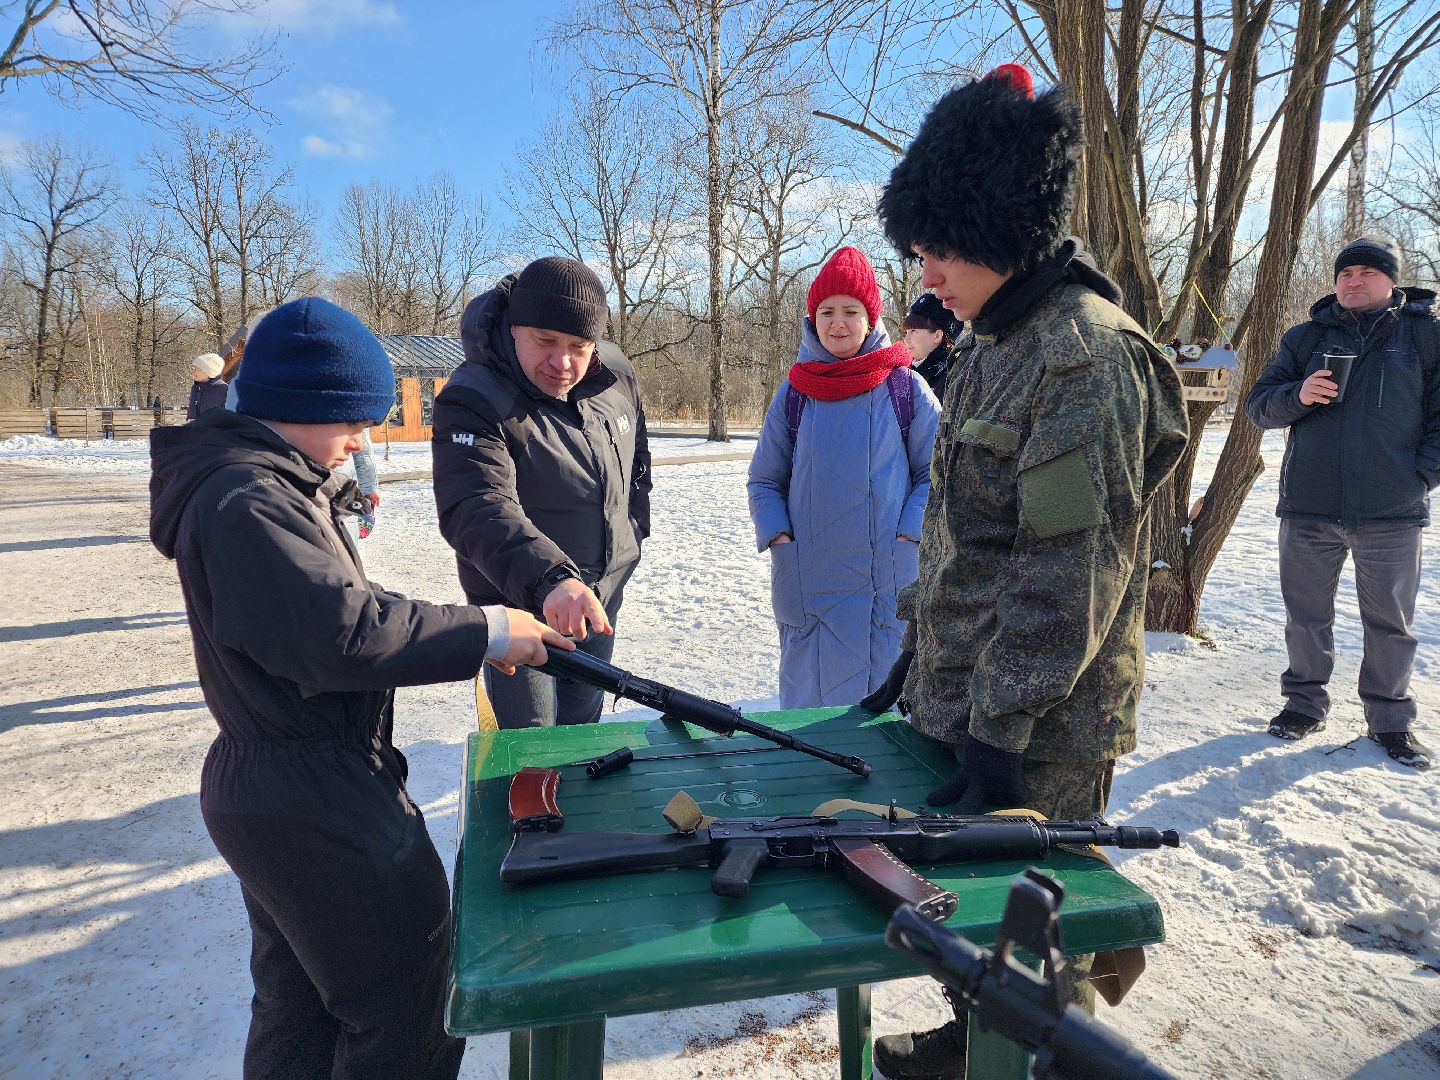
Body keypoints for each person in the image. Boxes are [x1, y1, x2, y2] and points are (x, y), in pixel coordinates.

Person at [149, 296, 571, 1080]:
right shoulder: (246, 499)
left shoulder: (271, 482)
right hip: (313, 797)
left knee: (301, 1008)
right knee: (407, 1005)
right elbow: (339, 631)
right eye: (351, 418)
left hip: (294, 783)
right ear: (296, 403)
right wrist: (484, 630)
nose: (361, 441)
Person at [865, 63, 1189, 1078]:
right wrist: (922, 653)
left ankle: (1036, 1061)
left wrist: (1000, 727)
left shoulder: (1082, 357)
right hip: (976, 700)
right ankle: (978, 1045)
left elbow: (1071, 573)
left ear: (1000, 227)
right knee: (981, 914)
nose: (927, 277)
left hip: (1042, 723)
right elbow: (971, 535)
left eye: (939, 250)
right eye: (919, 252)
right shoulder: (993, 339)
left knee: (1046, 937)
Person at [431, 256, 651, 729]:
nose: (563, 362)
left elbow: (636, 463)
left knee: (582, 727)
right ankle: (530, 804)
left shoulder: (614, 372)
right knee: (530, 744)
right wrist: (552, 579)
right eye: (545, 341)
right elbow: (477, 504)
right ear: (514, 328)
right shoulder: (473, 396)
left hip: (600, 592)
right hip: (518, 599)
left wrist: (634, 531)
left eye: (579, 345)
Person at [1243, 236, 1436, 771]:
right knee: (1305, 616)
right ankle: (1304, 705)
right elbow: (1259, 406)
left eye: (1366, 272)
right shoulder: (1305, 337)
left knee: (1391, 622)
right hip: (1309, 505)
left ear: (1391, 280)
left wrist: (1418, 476)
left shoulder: (1425, 336)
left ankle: (1391, 721)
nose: (1353, 281)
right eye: (1344, 273)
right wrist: (1298, 395)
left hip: (1391, 512)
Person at [747, 246, 940, 709]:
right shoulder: (794, 391)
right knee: (812, 718)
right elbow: (764, 480)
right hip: (809, 582)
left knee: (884, 717)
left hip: (885, 580)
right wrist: (779, 539)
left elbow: (937, 474)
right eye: (827, 311)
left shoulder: (905, 387)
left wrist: (908, 537)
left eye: (850, 311)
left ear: (870, 317)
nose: (838, 323)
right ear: (813, 319)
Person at [901, 292, 962, 400]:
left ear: (937, 336)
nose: (906, 340)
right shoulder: (902, 373)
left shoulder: (954, 377)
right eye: (907, 332)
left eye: (913, 331)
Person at [186, 352, 228, 420]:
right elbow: (191, 415)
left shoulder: (224, 389)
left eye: (198, 369)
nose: (194, 371)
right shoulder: (195, 388)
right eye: (193, 368)